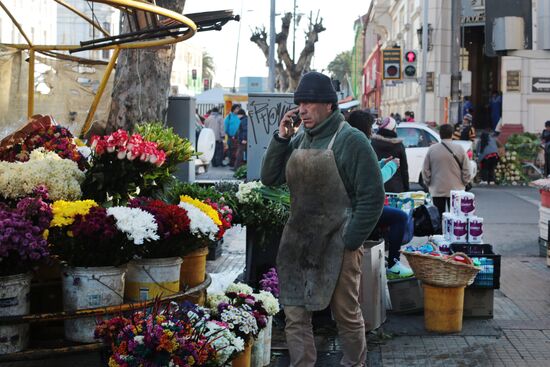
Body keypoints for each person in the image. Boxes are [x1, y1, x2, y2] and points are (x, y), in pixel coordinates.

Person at [261, 72, 385, 367]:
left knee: (345, 313)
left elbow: (373, 197)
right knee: (294, 314)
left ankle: (354, 363)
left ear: (329, 105)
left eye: (310, 103)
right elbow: (270, 177)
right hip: (298, 241)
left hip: (337, 244)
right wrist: (281, 138)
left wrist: (350, 240)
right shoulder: (299, 138)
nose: (302, 109)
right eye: (300, 103)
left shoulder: (351, 140)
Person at [348, 110, 413, 279]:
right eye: (370, 127)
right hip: (361, 208)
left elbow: (367, 171)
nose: (372, 131)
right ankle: (393, 264)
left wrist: (382, 162)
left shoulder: (350, 143)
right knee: (400, 217)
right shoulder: (361, 145)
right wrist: (391, 167)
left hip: (355, 206)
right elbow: (373, 181)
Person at [422, 124, 471, 216]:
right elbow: (467, 169)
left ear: (440, 134)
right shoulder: (459, 148)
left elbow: (425, 169)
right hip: (456, 189)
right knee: (455, 217)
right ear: (452, 134)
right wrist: (464, 182)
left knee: (439, 216)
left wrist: (429, 182)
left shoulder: (432, 149)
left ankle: (441, 230)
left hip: (437, 188)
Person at [371, 116, 409, 193]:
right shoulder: (398, 145)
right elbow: (404, 169)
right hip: (396, 187)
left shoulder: (372, 143)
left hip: (377, 187)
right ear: (392, 128)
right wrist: (406, 188)